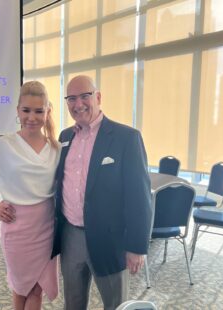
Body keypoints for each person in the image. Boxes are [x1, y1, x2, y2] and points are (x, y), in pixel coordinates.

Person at [51, 75, 153, 310]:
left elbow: (139, 197)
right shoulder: (65, 137)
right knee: (73, 302)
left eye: (85, 96)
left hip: (111, 238)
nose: (78, 104)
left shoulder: (126, 138)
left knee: (116, 303)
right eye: (71, 98)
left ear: (98, 97)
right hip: (71, 235)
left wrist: (137, 246)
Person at [0, 81, 61, 310]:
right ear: (18, 111)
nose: (32, 117)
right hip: (16, 226)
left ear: (47, 111)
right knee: (21, 288)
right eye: (26, 110)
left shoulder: (55, 147)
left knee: (37, 288)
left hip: (46, 227)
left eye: (39, 111)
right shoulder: (3, 145)